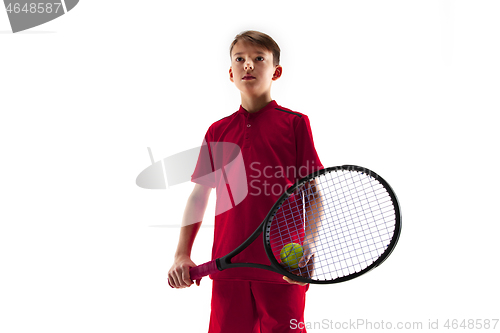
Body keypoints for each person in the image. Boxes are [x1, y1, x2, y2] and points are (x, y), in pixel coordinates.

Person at [168, 30, 323, 333]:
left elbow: (312, 194)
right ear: (230, 73)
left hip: (283, 269)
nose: (248, 65)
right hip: (229, 269)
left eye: (258, 59)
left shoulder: (295, 124)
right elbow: (199, 197)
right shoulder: (218, 131)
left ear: (276, 71)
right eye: (239, 59)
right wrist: (181, 254)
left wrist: (308, 245)